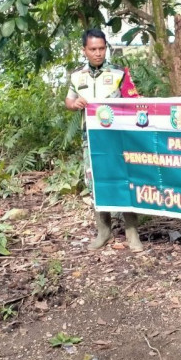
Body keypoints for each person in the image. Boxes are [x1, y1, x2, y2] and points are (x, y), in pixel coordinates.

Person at [64, 28, 143, 252]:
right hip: (90, 138)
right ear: (84, 50)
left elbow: (134, 100)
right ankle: (104, 232)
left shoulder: (119, 73)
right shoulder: (77, 75)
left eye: (101, 48)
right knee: (96, 182)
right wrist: (75, 104)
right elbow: (68, 101)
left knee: (124, 179)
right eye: (93, 49)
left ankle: (132, 233)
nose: (98, 53)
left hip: (117, 137)